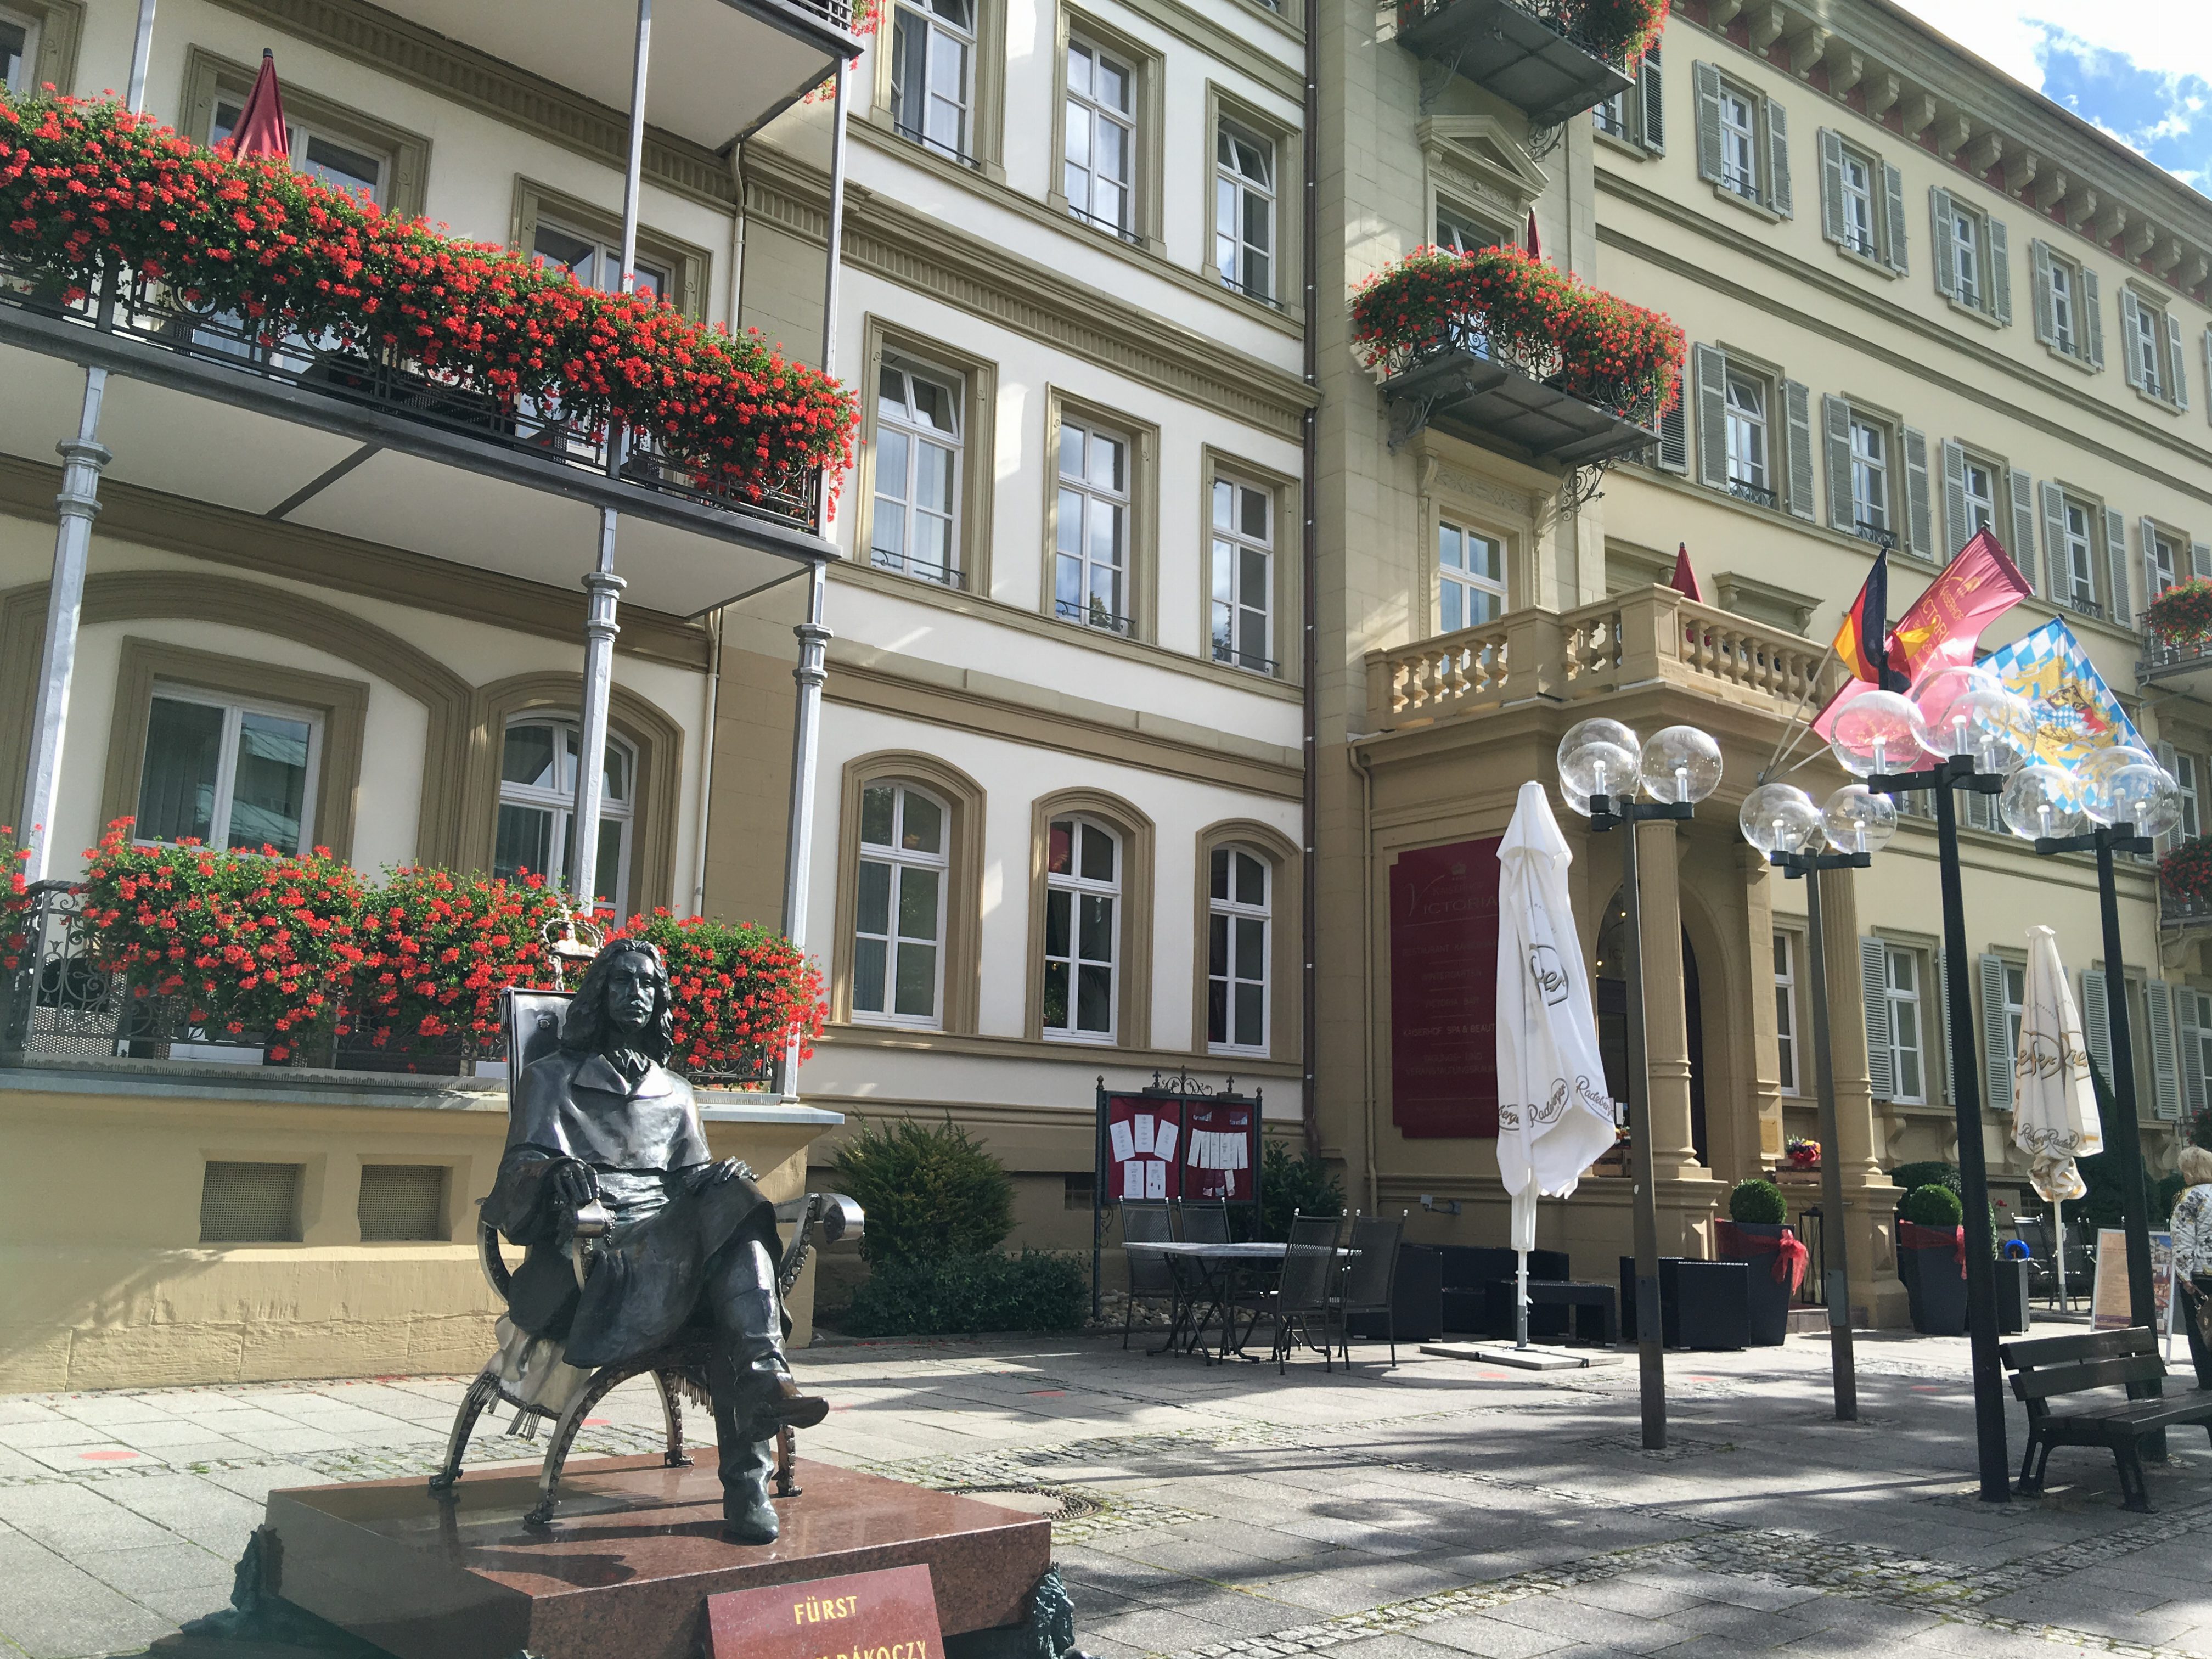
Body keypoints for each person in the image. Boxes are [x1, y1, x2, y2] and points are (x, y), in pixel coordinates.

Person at [482, 938, 828, 1542]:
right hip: (598, 1251)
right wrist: (555, 1172)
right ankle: (752, 1447)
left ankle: (759, 1396)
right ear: (598, 995)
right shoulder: (550, 1079)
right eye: (623, 981)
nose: (637, 994)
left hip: (672, 1246)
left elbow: (690, 1181)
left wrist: (716, 1178)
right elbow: (513, 1179)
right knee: (733, 1273)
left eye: (648, 984)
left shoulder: (676, 1091)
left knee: (737, 1204)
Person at [2172, 1144, 2212, 1390]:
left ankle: (2207, 1382)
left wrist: (2184, 1276)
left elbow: (2183, 1239)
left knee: (2201, 1329)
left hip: (2200, 1275)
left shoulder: (2188, 1198)